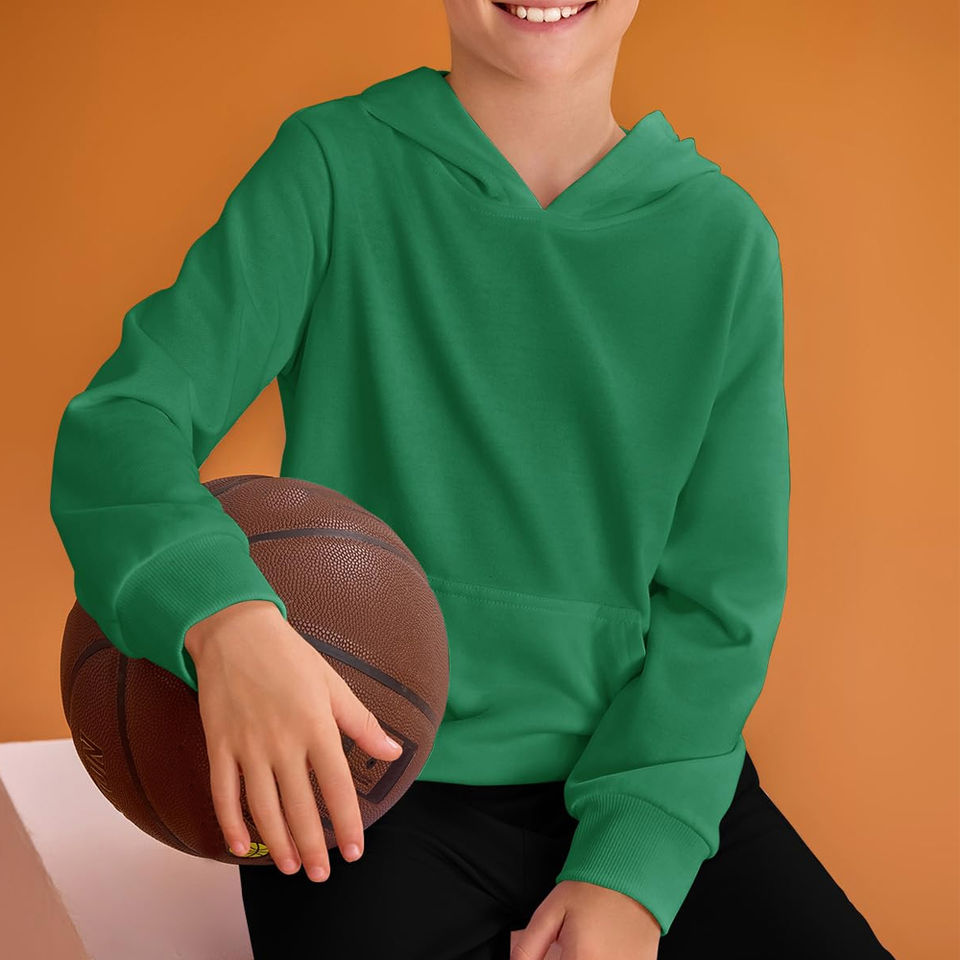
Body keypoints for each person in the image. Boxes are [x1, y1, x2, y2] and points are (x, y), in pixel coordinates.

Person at [50, 1, 897, 958]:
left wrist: (632, 865)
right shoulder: (333, 165)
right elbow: (122, 425)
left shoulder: (723, 239)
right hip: (363, 781)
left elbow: (721, 600)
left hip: (648, 769)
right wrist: (226, 621)